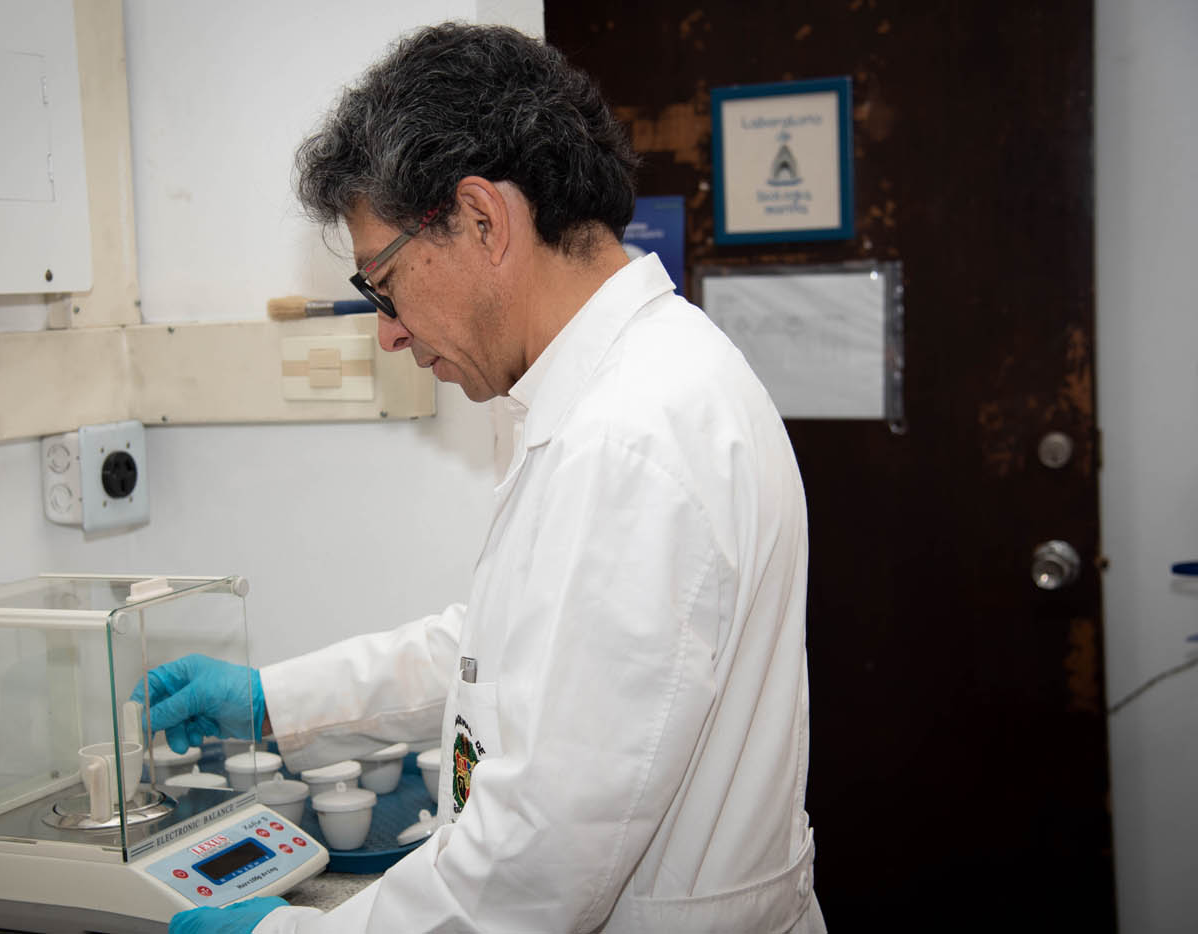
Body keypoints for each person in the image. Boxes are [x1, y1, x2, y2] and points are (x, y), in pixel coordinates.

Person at [148, 21, 825, 934]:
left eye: (382, 283)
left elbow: (535, 869)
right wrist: (277, 703)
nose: (386, 330)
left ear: (482, 220)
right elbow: (505, 657)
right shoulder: (618, 390)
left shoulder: (631, 440)